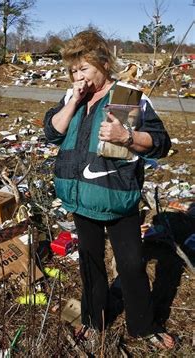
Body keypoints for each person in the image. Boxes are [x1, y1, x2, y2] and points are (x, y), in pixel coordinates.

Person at [44, 30, 175, 349]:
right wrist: (73, 100)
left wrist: (126, 137)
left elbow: (160, 143)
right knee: (90, 263)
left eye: (84, 68)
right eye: (73, 70)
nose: (78, 76)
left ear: (103, 63)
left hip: (117, 197)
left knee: (131, 265)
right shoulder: (71, 97)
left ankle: (144, 326)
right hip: (80, 197)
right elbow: (52, 133)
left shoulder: (128, 96)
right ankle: (92, 320)